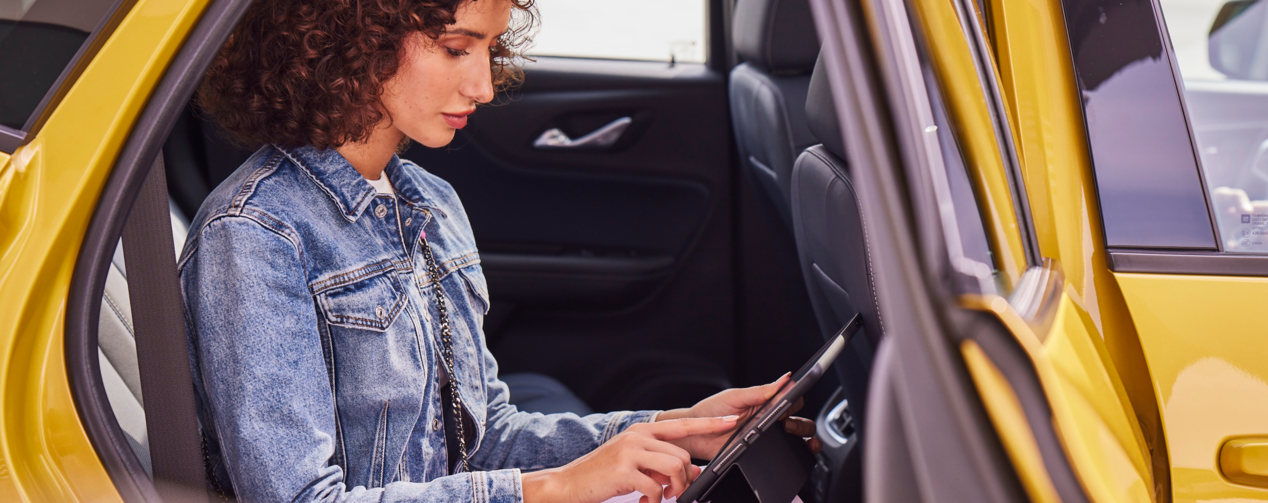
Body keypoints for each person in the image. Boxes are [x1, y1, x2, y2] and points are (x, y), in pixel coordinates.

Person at [180, 0, 818, 501]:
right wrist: (556, 490)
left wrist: (671, 431)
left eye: (490, 48)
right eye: (457, 49)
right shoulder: (254, 237)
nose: (484, 87)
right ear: (355, 42)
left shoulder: (430, 205)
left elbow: (479, 446)